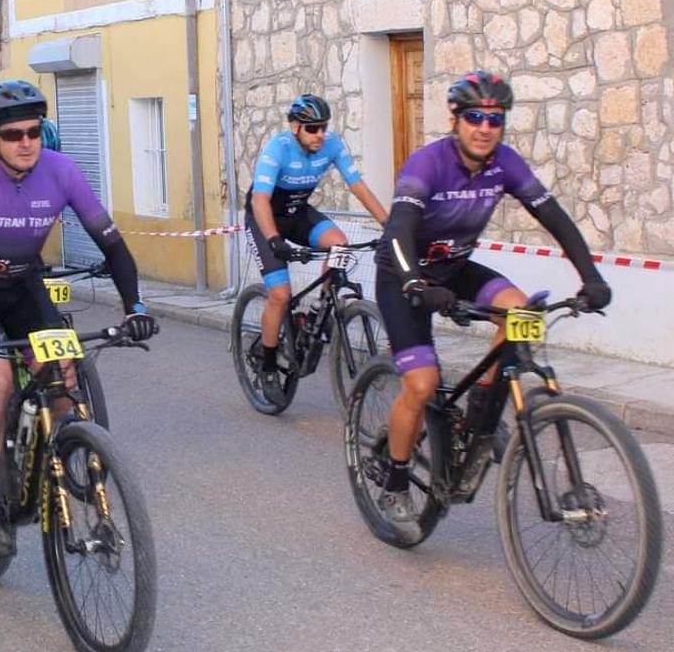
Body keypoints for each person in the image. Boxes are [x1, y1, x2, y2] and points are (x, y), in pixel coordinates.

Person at [0, 80, 156, 559]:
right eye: (13, 134)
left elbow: (111, 244)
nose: (26, 142)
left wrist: (136, 307)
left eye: (34, 130)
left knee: (64, 372)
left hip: (23, 286)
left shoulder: (61, 170)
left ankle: (66, 450)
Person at [374, 71, 611, 536]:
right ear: (456, 119)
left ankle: (478, 418)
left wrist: (592, 276)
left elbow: (555, 217)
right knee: (421, 385)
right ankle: (396, 479)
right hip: (403, 276)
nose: (485, 127)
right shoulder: (428, 164)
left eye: (495, 119)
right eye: (475, 117)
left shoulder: (505, 164)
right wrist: (414, 283)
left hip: (456, 268)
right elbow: (399, 229)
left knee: (521, 313)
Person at [245, 94, 388, 408]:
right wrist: (273, 240)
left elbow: (358, 186)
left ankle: (315, 314)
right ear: (295, 127)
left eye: (323, 127)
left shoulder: (332, 145)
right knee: (281, 294)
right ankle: (268, 365)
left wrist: (389, 226)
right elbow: (259, 200)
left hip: (296, 213)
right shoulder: (277, 149)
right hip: (265, 219)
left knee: (339, 242)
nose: (320, 134)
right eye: (312, 129)